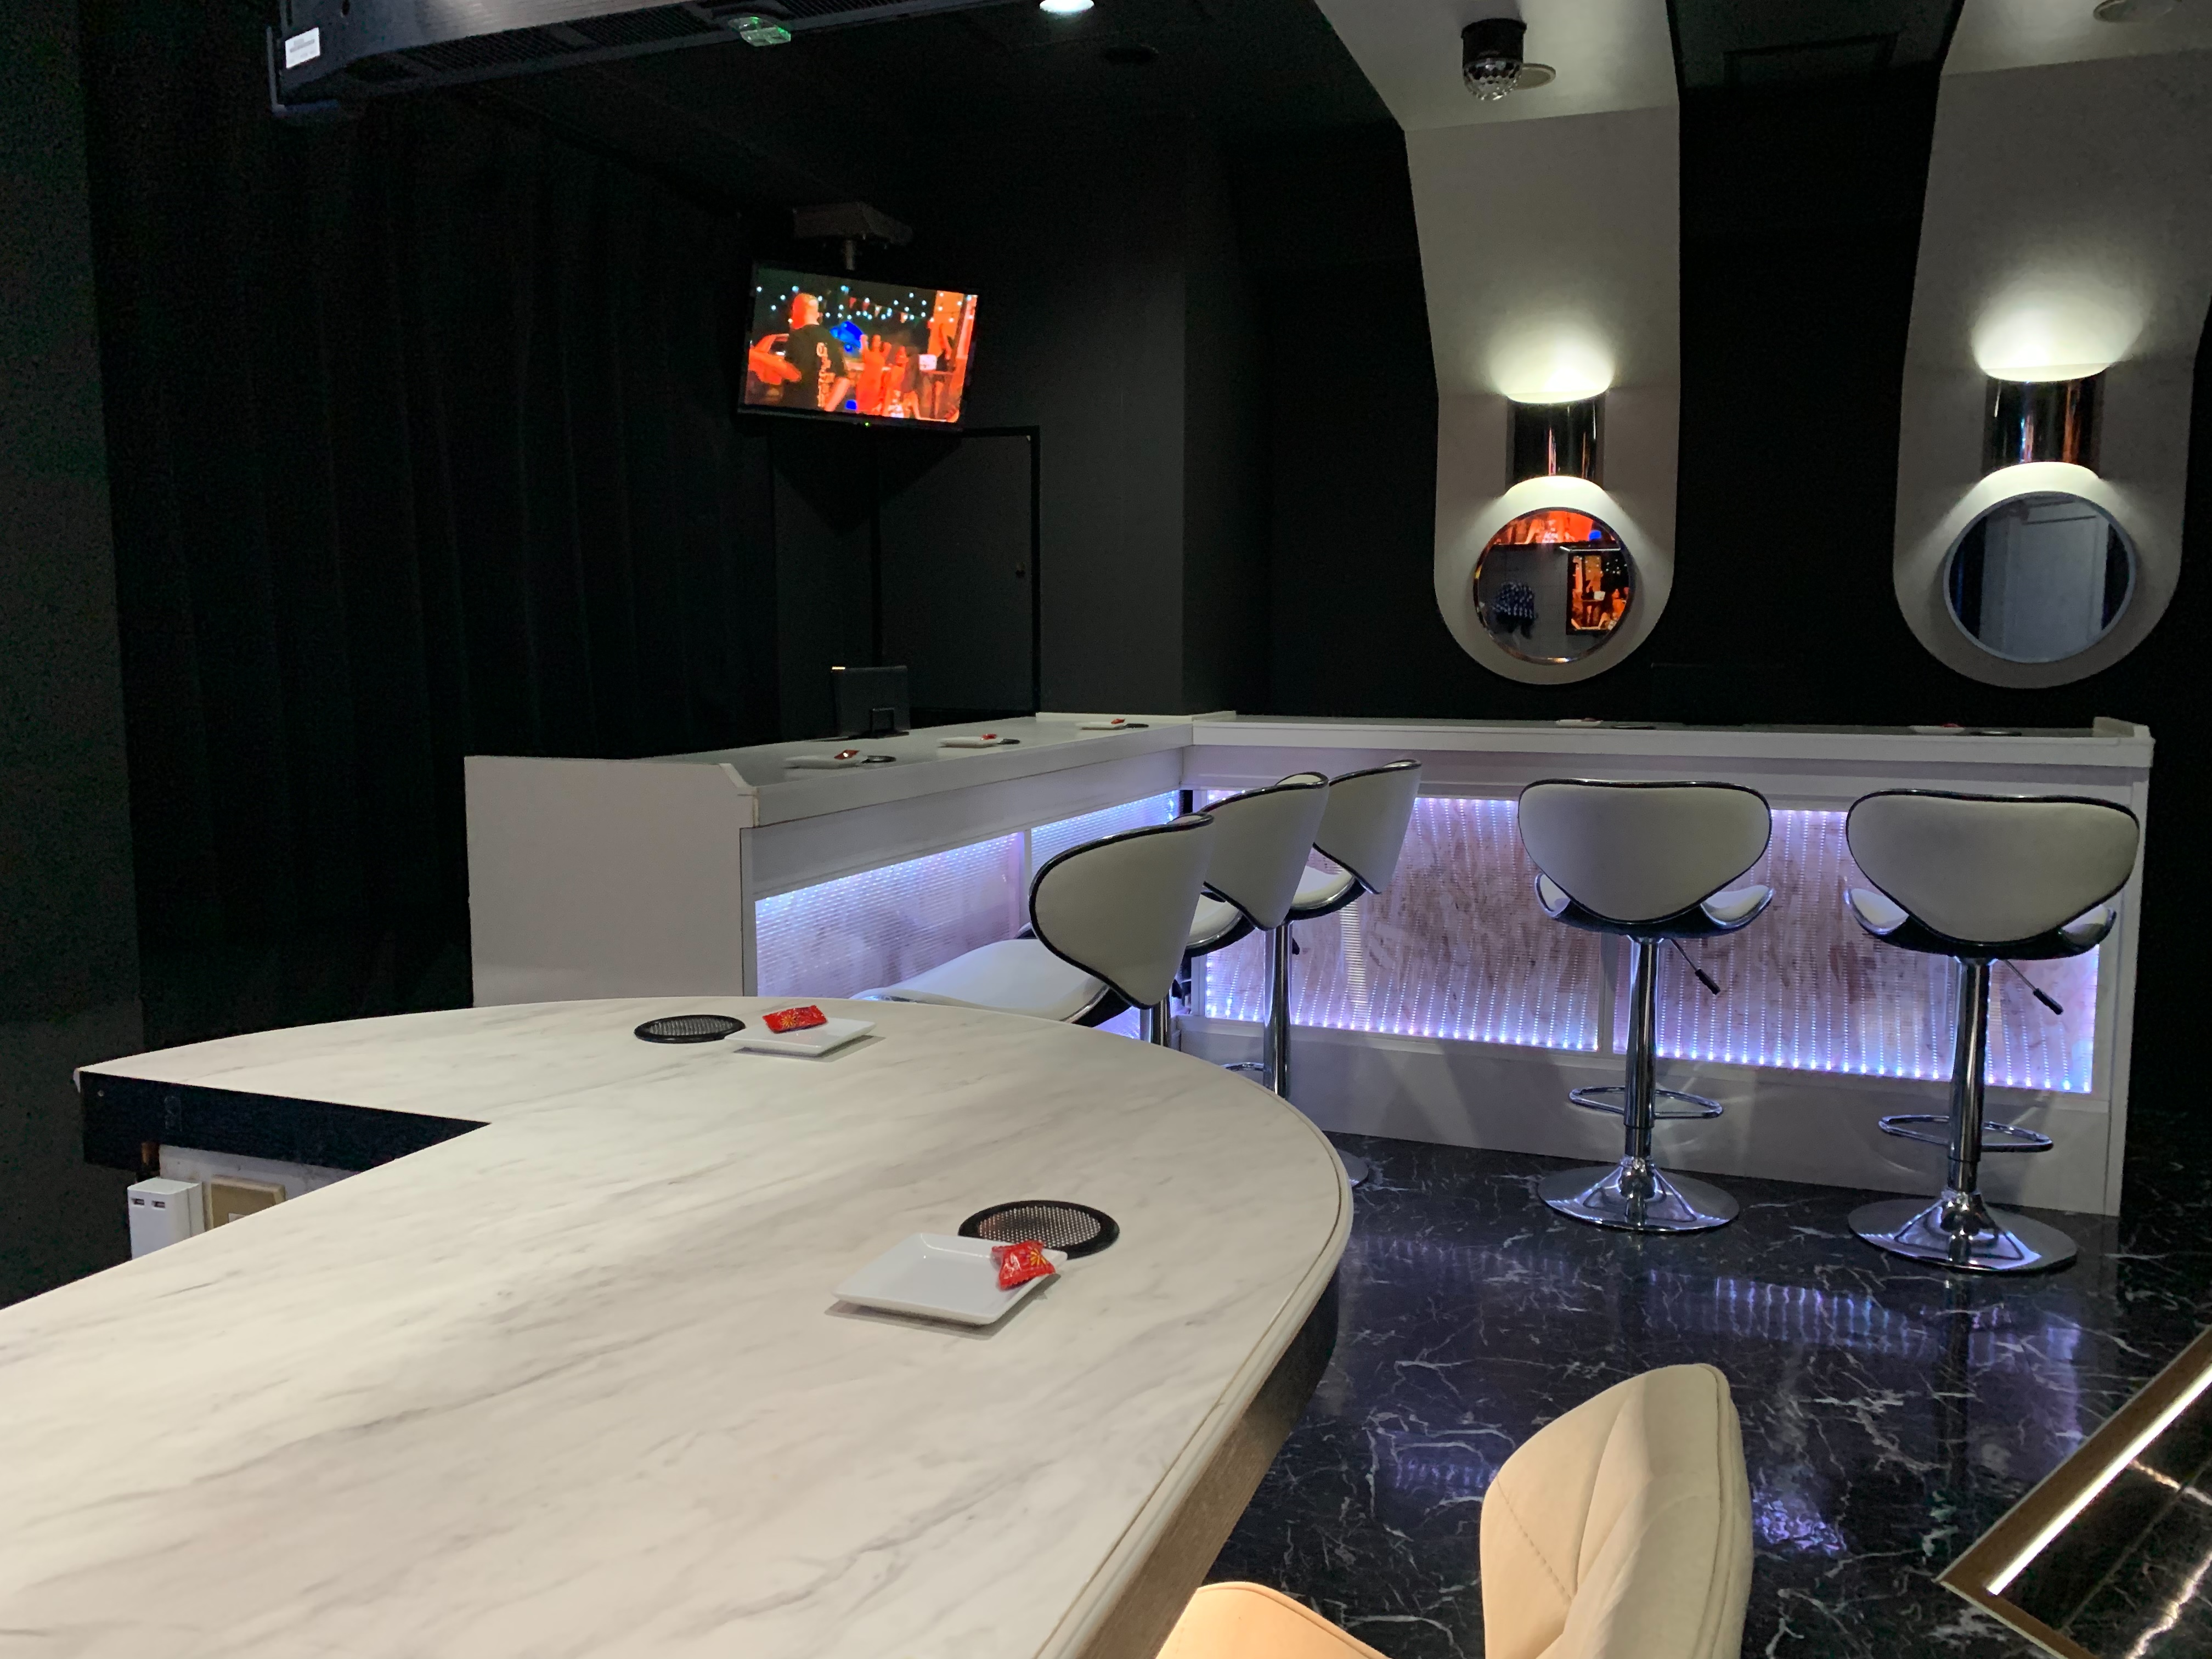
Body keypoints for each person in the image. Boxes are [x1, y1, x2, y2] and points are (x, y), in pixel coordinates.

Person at [748, 292, 853, 411]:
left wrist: (756, 355)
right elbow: (844, 380)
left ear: (796, 309)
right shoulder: (831, 339)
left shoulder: (799, 336)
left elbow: (795, 373)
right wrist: (828, 409)